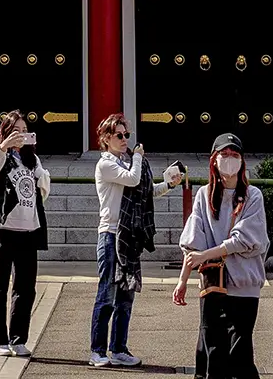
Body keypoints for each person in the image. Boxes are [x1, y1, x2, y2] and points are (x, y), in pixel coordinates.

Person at [90, 113, 182, 370]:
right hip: (110, 235)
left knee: (125, 296)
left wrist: (168, 183)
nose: (124, 140)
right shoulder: (106, 164)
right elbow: (132, 179)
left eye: (126, 135)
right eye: (118, 135)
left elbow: (145, 191)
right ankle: (97, 350)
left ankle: (119, 348)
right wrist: (139, 156)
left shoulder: (128, 163)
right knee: (106, 295)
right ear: (106, 138)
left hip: (129, 235)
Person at [176, 130, 268, 379]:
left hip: (244, 284)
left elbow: (245, 240)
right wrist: (183, 281)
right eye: (224, 154)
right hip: (213, 285)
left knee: (240, 355)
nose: (229, 158)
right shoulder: (204, 195)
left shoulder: (252, 196)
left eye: (234, 154)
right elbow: (193, 242)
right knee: (210, 352)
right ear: (214, 160)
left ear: (242, 160)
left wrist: (208, 253)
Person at [0, 107, 50, 359]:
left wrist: (39, 175)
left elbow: (42, 188)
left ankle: (19, 339)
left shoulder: (32, 160)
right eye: (15, 131)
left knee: (26, 288)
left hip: (28, 230)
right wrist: (4, 147)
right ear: (4, 133)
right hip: (3, 232)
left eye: (25, 131)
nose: (21, 136)